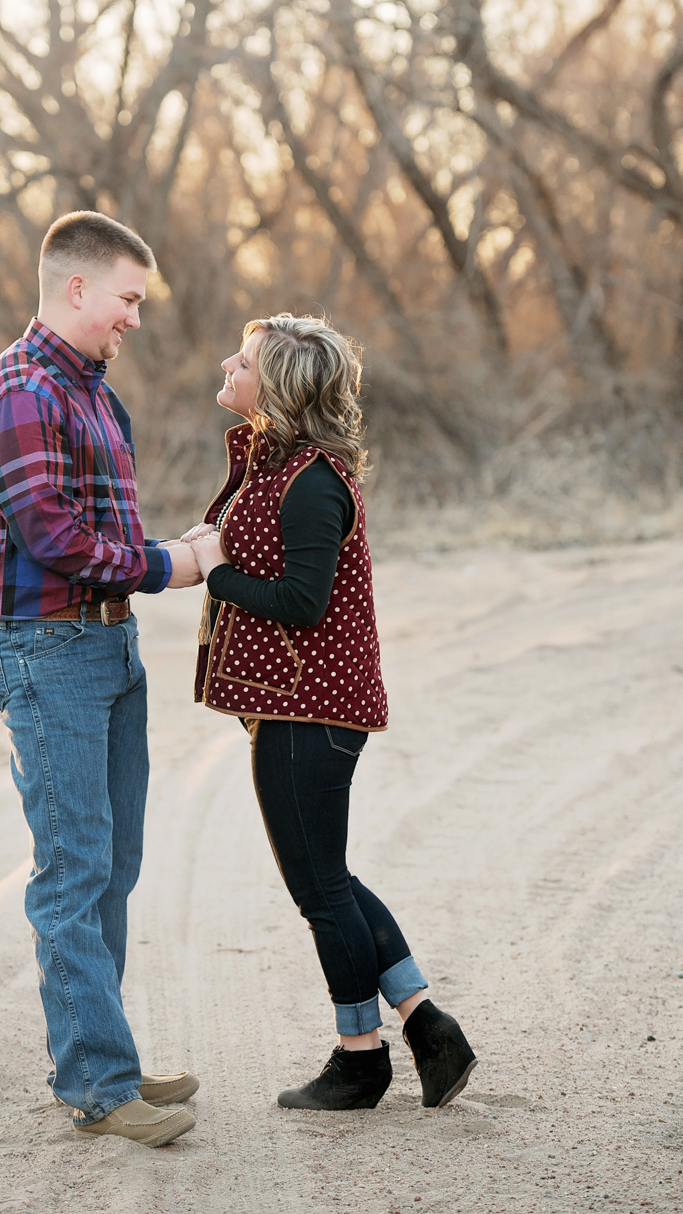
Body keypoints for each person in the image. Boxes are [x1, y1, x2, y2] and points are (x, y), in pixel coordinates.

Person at [183, 313, 477, 1111]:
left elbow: (300, 603)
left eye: (240, 361)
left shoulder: (311, 480)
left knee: (319, 891)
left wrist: (213, 569)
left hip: (309, 710)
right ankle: (425, 1025)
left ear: (272, 387)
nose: (225, 364)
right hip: (296, 704)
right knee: (331, 879)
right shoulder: (278, 464)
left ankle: (360, 1058)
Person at [0, 211, 203, 1148]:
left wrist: (158, 561)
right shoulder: (16, 390)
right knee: (72, 871)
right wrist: (169, 564)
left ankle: (105, 1051)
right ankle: (96, 1086)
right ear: (77, 289)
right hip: (46, 650)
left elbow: (96, 531)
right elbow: (52, 539)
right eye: (128, 299)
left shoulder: (95, 391)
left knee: (115, 866)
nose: (135, 319)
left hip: (109, 648)